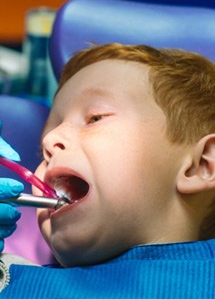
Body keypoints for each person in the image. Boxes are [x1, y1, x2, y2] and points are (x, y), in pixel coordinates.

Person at [0, 43, 215, 298]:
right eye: (42, 141)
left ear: (201, 164)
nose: (49, 140)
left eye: (95, 118)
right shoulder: (13, 281)